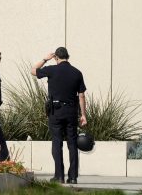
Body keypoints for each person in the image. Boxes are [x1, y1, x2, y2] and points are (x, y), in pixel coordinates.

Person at [31, 47, 87, 184]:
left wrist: (45, 59)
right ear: (68, 56)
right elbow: (81, 96)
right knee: (72, 144)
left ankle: (59, 176)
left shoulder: (51, 69)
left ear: (56, 57)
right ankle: (73, 177)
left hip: (55, 111)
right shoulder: (77, 73)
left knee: (57, 143)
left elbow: (33, 70)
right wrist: (83, 115)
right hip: (71, 112)